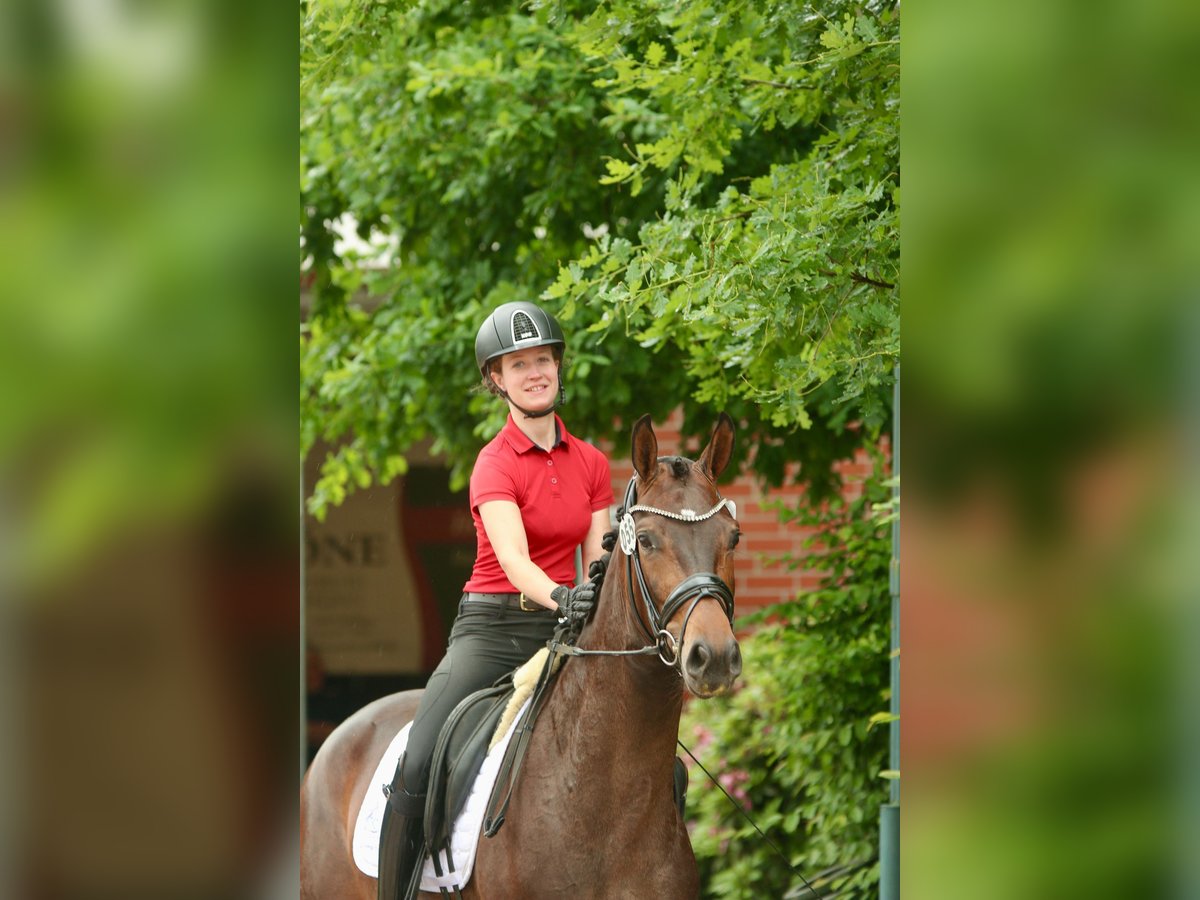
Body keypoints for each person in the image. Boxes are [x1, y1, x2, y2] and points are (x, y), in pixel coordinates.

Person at [377, 301, 613, 900]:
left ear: (559, 367)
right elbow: (513, 559)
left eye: (543, 360)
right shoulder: (494, 463)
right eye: (518, 364)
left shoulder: (591, 462)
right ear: (496, 380)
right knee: (421, 757)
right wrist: (567, 597)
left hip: (566, 632)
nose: (535, 372)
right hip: (491, 630)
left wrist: (592, 603)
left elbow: (601, 556)